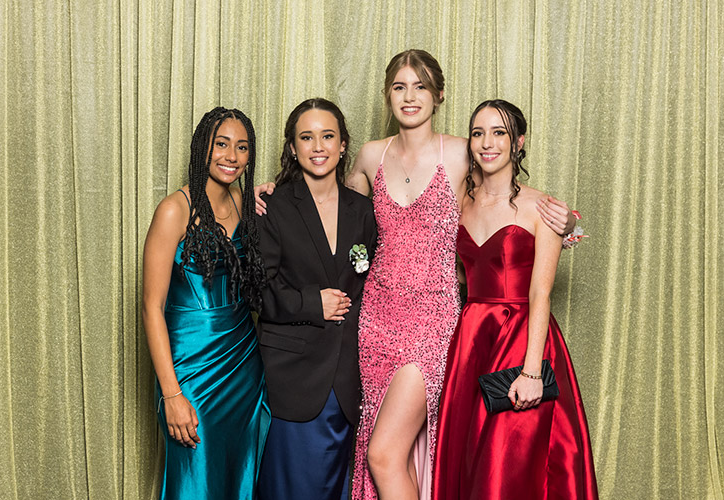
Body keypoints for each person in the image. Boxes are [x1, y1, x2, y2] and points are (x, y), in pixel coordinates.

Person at [254, 50, 577, 500]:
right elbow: (332, 214)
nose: (410, 97)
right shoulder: (369, 156)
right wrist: (272, 188)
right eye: (400, 87)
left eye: (421, 86)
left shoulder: (462, 152)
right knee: (389, 451)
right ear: (387, 96)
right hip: (375, 321)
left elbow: (503, 200)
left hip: (433, 321)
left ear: (439, 94)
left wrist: (564, 222)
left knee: (383, 454)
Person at [433, 100, 598, 499]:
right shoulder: (460, 202)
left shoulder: (543, 207)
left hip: (522, 339)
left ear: (518, 142)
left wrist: (531, 372)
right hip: (471, 339)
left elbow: (541, 292)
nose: (487, 143)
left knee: (506, 463)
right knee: (470, 459)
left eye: (499, 132)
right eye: (478, 133)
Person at [142, 107, 270, 499]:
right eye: (222, 144)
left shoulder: (246, 205)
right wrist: (172, 394)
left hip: (244, 365)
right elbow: (151, 306)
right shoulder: (173, 210)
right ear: (203, 148)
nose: (231, 156)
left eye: (242, 147)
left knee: (241, 474)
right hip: (193, 372)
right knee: (196, 481)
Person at [256, 98, 377, 500]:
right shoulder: (271, 205)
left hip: (347, 378)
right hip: (294, 376)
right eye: (306, 137)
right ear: (292, 147)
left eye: (328, 136)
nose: (318, 146)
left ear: (344, 144)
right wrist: (312, 303)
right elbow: (257, 290)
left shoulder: (363, 210)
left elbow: (375, 284)